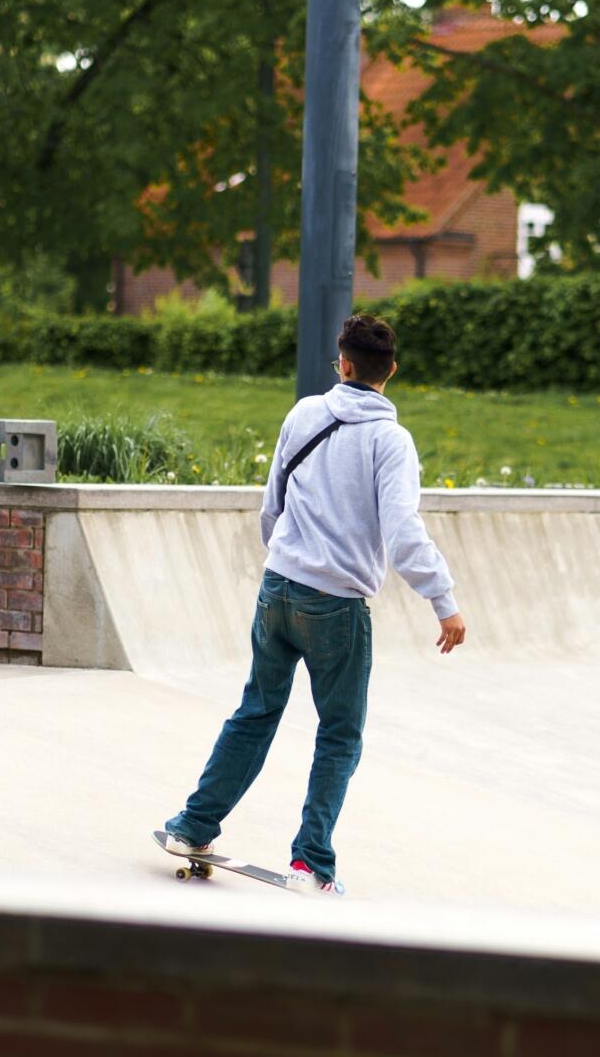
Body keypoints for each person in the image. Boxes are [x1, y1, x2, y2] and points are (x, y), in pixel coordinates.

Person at [154, 312, 469, 895]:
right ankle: (311, 863)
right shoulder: (391, 442)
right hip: (338, 607)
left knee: (255, 712)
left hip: (277, 589)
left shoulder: (303, 414)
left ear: (343, 364)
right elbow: (402, 533)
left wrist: (289, 561)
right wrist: (443, 601)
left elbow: (270, 507)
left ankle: (193, 825)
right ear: (390, 372)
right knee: (340, 733)